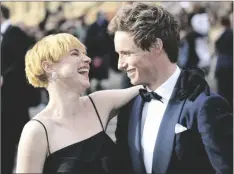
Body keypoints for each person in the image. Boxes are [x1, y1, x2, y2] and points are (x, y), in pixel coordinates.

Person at [16, 32, 209, 174]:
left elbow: (151, 87)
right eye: (75, 54)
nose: (88, 59)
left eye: (85, 54)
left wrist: (185, 77)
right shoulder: (36, 131)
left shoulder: (98, 103)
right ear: (48, 67)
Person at [107, 3, 233, 174]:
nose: (120, 64)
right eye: (118, 54)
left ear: (155, 46)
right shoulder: (129, 105)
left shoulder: (205, 105)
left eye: (127, 53)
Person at [0, 5, 40, 174]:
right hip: (8, 100)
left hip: (14, 98)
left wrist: (4, 77)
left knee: (14, 139)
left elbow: (24, 61)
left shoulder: (14, 33)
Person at [215, 16, 233, 111]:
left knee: (223, 91)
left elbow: (216, 46)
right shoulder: (230, 33)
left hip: (222, 65)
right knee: (230, 91)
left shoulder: (220, 34)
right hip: (230, 65)